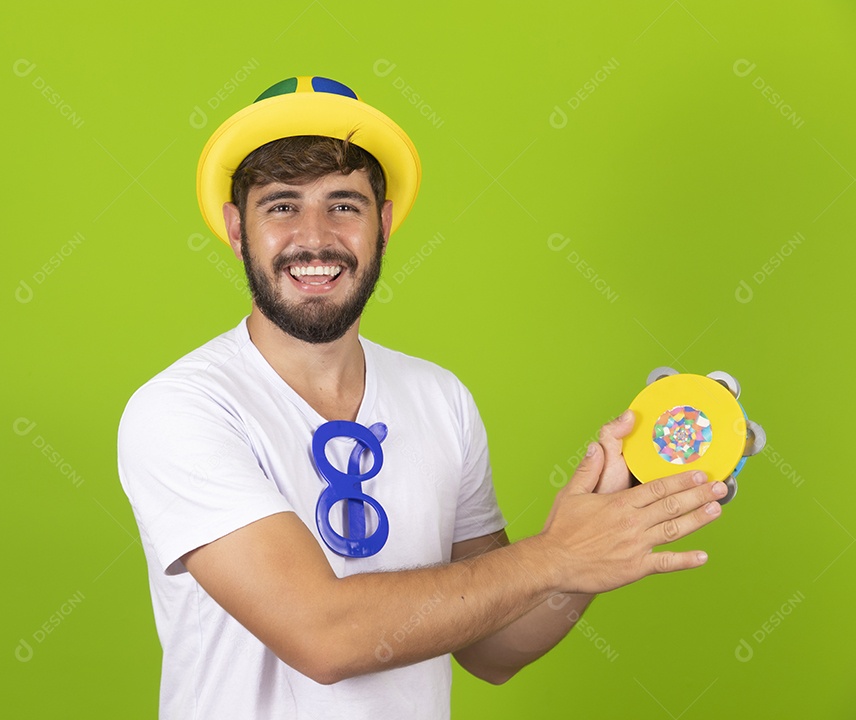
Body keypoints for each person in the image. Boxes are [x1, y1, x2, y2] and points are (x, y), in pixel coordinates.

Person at [116, 75, 726, 720]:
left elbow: (494, 649)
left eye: (344, 205)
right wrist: (555, 555)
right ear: (238, 230)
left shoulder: (440, 398)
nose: (315, 237)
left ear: (382, 224)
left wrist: (606, 522)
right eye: (282, 206)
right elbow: (324, 637)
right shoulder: (181, 409)